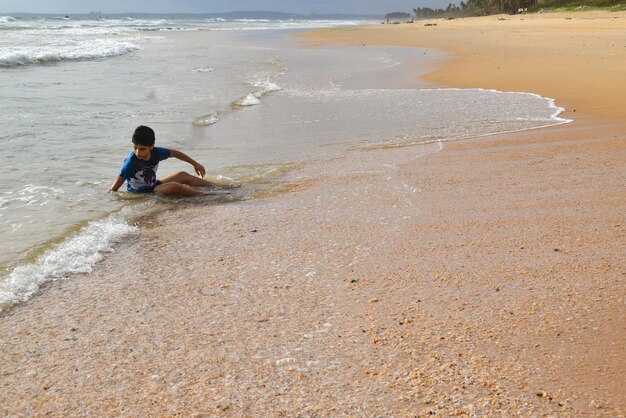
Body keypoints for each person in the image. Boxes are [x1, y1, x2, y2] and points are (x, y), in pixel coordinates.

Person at [109, 125, 220, 197]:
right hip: (143, 194)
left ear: (151, 146)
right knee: (174, 186)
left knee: (182, 175)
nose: (138, 152)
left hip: (154, 184)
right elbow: (113, 189)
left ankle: (220, 188)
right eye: (135, 148)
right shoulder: (130, 163)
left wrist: (195, 164)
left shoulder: (157, 153)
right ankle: (207, 195)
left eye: (142, 149)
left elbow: (175, 153)